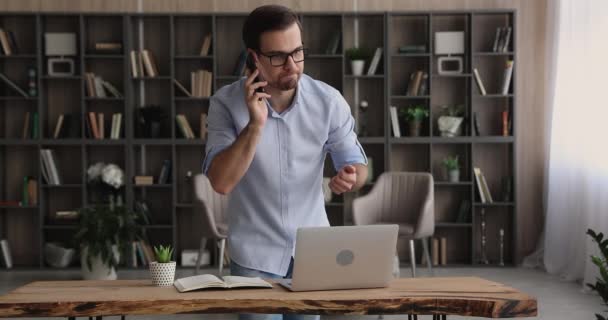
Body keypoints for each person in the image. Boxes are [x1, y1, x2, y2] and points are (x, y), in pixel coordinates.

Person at [203, 4, 368, 320]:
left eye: (298, 52)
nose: (291, 65)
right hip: (253, 255)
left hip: (311, 252)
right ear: (254, 58)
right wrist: (255, 125)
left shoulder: (328, 101)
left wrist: (351, 176)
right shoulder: (224, 103)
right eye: (278, 57)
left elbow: (358, 166)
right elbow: (221, 182)